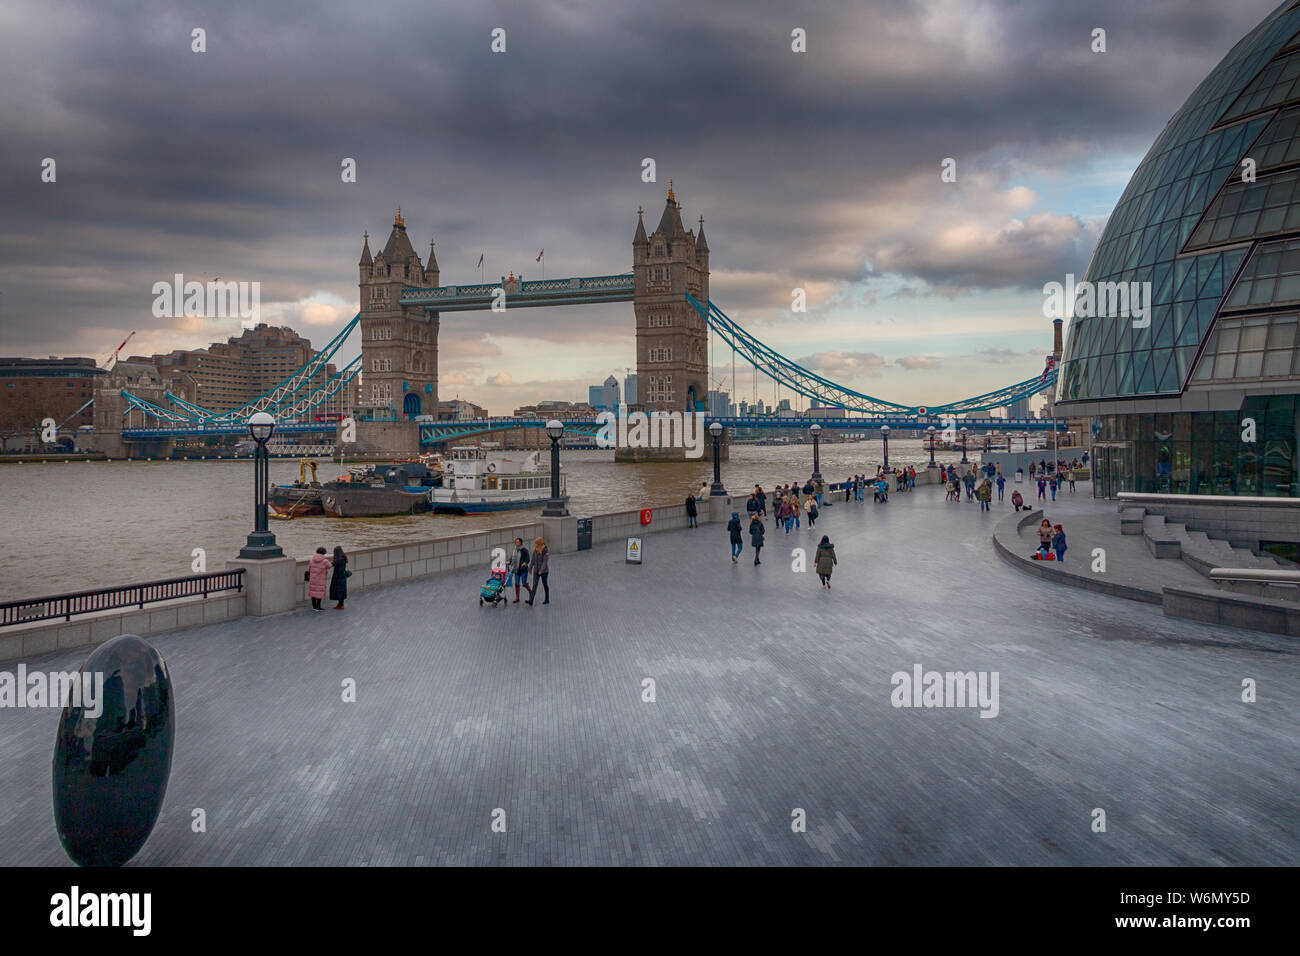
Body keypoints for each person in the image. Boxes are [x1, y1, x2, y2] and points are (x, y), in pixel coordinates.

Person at [526, 537, 550, 605]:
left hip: (544, 572)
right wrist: (530, 568)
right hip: (536, 570)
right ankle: (531, 600)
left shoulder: (545, 550)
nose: (535, 544)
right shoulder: (535, 550)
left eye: (536, 543)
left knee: (545, 584)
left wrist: (541, 571)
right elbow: (533, 560)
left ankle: (547, 598)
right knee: (534, 585)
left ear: (539, 543)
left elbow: (545, 562)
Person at [307, 546, 331, 610]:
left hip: (313, 579)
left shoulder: (312, 560)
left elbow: (309, 568)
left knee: (313, 592)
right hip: (320, 579)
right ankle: (318, 606)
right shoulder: (325, 561)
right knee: (319, 592)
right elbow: (330, 566)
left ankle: (314, 606)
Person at [510, 536, 530, 602]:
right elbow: (512, 558)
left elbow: (528, 559)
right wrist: (509, 561)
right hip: (516, 569)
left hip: (523, 569)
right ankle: (517, 598)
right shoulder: (515, 550)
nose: (516, 543)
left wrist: (525, 563)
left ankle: (531, 593)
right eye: (516, 542)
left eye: (518, 542)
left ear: (521, 543)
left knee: (524, 583)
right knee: (516, 584)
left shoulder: (524, 550)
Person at [330, 545, 348, 610]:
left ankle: (341, 605)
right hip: (343, 577)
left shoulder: (337, 560)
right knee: (341, 591)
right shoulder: (344, 558)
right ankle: (340, 604)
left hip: (338, 577)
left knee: (338, 590)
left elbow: (331, 565)